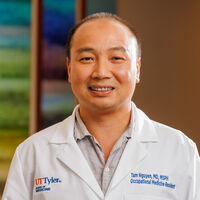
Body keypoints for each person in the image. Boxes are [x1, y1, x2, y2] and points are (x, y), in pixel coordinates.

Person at [2, 12, 200, 200]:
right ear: (70, 70)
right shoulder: (32, 153)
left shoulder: (180, 151)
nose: (101, 72)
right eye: (87, 58)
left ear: (137, 69)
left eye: (116, 58)